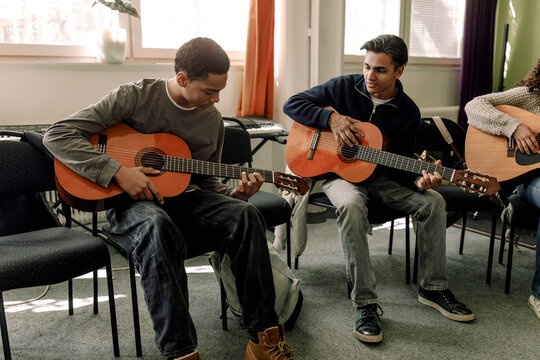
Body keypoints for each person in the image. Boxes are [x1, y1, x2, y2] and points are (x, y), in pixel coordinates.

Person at [43, 37, 295, 360]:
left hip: (185, 203)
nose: (216, 99)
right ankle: (181, 352)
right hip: (129, 207)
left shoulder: (212, 121)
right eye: (209, 91)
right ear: (182, 79)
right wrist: (119, 172)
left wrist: (236, 196)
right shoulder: (135, 97)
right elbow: (58, 134)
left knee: (246, 215)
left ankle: (263, 339)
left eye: (221, 90)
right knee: (156, 225)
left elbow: (206, 184)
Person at [283, 34, 474, 343]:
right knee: (351, 205)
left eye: (380, 70)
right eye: (367, 66)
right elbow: (292, 104)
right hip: (340, 175)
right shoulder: (345, 86)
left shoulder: (407, 111)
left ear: (399, 71)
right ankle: (366, 304)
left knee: (433, 201)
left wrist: (419, 180)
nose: (370, 76)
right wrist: (330, 118)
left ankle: (433, 287)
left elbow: (399, 163)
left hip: (382, 178)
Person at [465, 55, 540, 321]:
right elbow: (474, 106)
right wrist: (515, 127)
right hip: (524, 181)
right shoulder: (531, 96)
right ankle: (539, 294)